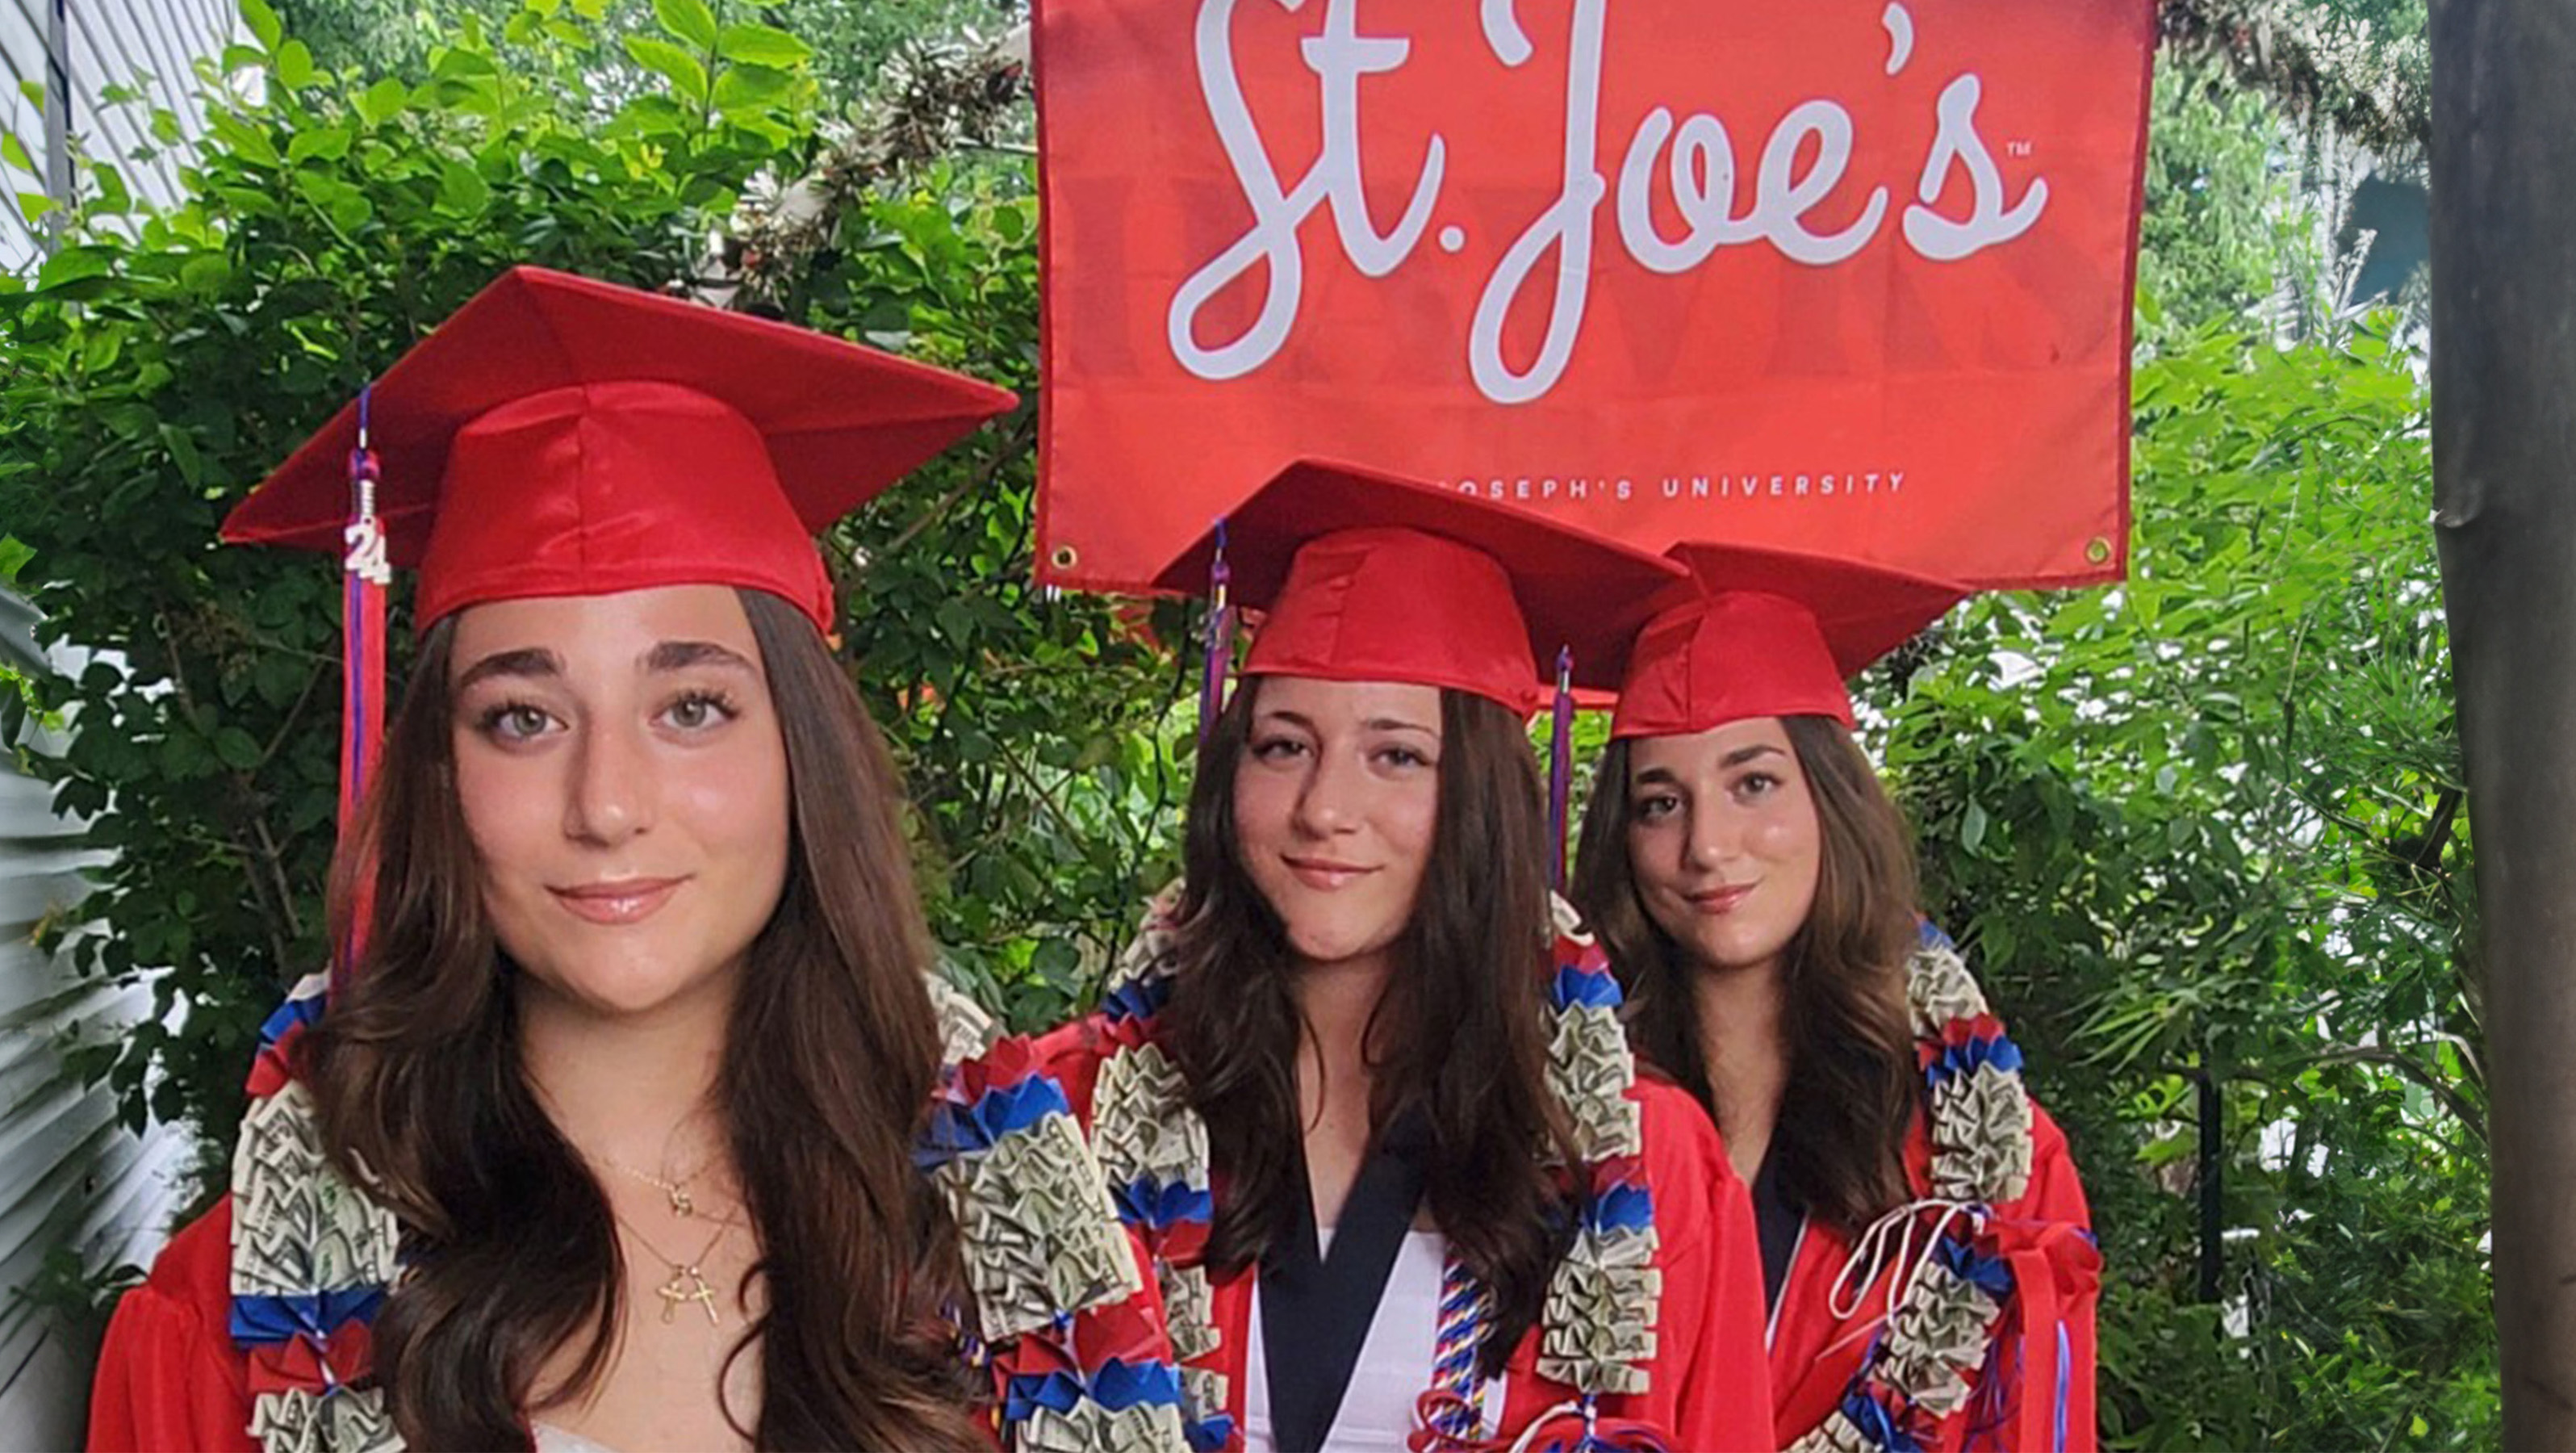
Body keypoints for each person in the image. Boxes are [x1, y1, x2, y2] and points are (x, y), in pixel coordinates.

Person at [86, 267, 1181, 1453]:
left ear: (798, 749)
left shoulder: (1002, 1236)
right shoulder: (253, 1315)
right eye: (522, 718)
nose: (605, 805)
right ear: (442, 779)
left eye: (692, 707)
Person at [1034, 460, 1777, 1453]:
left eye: (1396, 756)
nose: (1324, 809)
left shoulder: (1640, 1164)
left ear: (1478, 800)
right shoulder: (1069, 1118)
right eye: (1282, 746)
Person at [1570, 545, 2101, 1452]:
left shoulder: (1982, 1164)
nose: (1707, 845)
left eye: (1753, 784)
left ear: (1830, 803)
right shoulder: (1557, 1115)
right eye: (1659, 803)